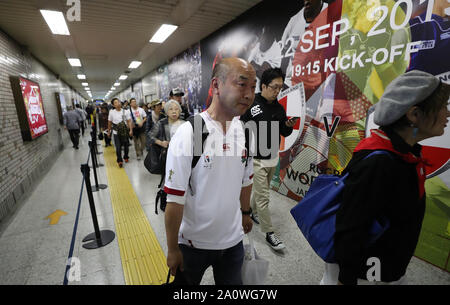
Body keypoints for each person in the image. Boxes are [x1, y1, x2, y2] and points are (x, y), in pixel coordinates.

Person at [328, 70, 450, 285]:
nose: (447, 114)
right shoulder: (381, 162)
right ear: (413, 115)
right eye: (442, 107)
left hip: (387, 267)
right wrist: (346, 280)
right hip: (365, 274)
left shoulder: (407, 154)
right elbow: (351, 227)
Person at [164, 57, 256, 285]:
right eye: (242, 84)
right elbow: (174, 200)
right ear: (216, 85)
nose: (249, 94)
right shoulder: (190, 133)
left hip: (233, 243)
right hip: (193, 245)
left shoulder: (245, 132)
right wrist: (173, 248)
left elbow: (246, 180)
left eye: (253, 87)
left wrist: (245, 213)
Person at [241, 68, 298, 251]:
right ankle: (269, 233)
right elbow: (239, 125)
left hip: (272, 157)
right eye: (274, 87)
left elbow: (284, 131)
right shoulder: (251, 102)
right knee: (264, 196)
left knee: (260, 192)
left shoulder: (279, 108)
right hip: (255, 158)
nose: (277, 91)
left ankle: (252, 211)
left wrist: (288, 125)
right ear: (264, 85)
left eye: (280, 87)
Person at [107, 98, 133, 168]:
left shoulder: (126, 111)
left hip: (125, 132)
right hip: (116, 133)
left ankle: (126, 156)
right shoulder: (111, 112)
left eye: (118, 102)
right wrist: (109, 132)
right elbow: (109, 123)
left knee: (126, 146)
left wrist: (131, 130)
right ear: (113, 105)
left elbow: (129, 121)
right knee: (118, 148)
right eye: (115, 102)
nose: (118, 103)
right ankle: (119, 160)